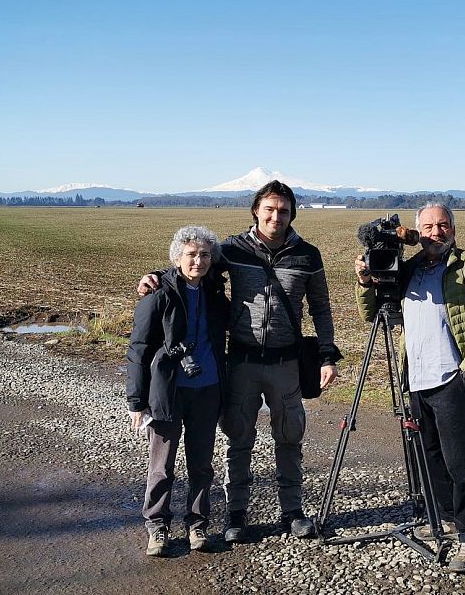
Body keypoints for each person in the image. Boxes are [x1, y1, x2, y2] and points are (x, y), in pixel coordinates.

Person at [138, 180, 341, 543]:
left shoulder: (308, 255)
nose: (276, 216)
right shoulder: (232, 249)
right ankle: (236, 514)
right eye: (269, 209)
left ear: (292, 213)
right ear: (256, 212)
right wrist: (154, 276)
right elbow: (190, 263)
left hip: (287, 364)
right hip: (242, 361)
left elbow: (321, 309)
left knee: (290, 437)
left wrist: (327, 355)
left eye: (283, 210)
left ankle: (293, 511)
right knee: (239, 438)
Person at [354, 203, 465, 574]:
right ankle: (448, 519)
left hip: (453, 378)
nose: (436, 232)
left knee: (461, 462)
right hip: (416, 380)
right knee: (431, 458)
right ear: (417, 231)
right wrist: (365, 283)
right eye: (428, 226)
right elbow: (374, 315)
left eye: (443, 225)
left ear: (453, 228)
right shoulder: (409, 269)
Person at [126, 225, 229, 557]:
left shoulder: (214, 293)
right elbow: (139, 349)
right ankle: (157, 526)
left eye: (204, 255)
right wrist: (136, 401)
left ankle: (197, 523)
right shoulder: (158, 294)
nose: (197, 261)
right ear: (177, 257)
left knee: (201, 463)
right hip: (168, 391)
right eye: (190, 254)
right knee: (161, 465)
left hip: (208, 388)